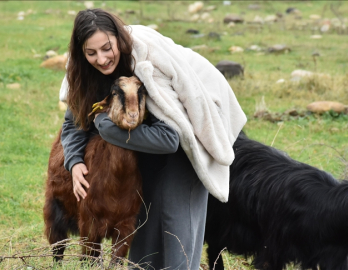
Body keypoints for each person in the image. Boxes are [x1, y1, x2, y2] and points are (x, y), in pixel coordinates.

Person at [59, 8, 246, 270]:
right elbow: (73, 122)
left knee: (175, 229)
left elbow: (171, 138)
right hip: (143, 136)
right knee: (143, 221)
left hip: (189, 130)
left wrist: (107, 126)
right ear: (81, 52)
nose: (101, 59)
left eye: (106, 48)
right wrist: (75, 160)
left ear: (118, 40)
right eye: (91, 53)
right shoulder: (84, 72)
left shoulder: (149, 65)